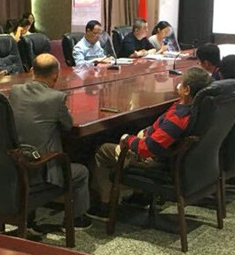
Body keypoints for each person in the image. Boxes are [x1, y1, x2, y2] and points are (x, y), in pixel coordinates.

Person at [87, 67, 212, 217]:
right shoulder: (197, 109)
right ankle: (140, 194)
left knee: (102, 150)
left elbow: (147, 149)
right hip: (170, 157)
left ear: (187, 90)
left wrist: (127, 139)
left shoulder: (179, 118)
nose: (178, 85)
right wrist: (146, 132)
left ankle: (106, 204)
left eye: (181, 83)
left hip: (154, 161)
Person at [9, 53, 93, 230]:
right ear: (56, 76)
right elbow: (68, 126)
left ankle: (30, 216)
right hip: (43, 169)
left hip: (15, 164)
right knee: (82, 172)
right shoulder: (56, 98)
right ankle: (76, 220)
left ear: (32, 71)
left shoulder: (15, 91)